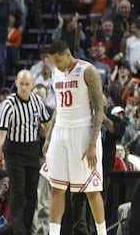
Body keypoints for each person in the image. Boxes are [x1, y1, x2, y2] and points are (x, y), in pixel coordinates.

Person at [43, 40, 107, 235]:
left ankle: (102, 232)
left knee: (91, 190)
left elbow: (99, 110)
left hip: (83, 131)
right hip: (61, 132)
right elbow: (58, 108)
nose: (57, 65)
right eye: (53, 62)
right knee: (57, 187)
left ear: (68, 53)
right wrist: (48, 137)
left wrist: (93, 143)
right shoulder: (56, 73)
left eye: (59, 60)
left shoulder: (88, 71)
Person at [0, 70, 52, 235]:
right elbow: (1, 132)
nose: (24, 88)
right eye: (21, 84)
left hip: (32, 151)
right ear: (16, 83)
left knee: (32, 194)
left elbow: (48, 124)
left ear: (32, 85)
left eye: (27, 85)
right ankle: (19, 232)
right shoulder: (9, 104)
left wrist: (52, 142)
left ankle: (27, 229)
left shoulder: (37, 101)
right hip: (14, 152)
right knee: (18, 193)